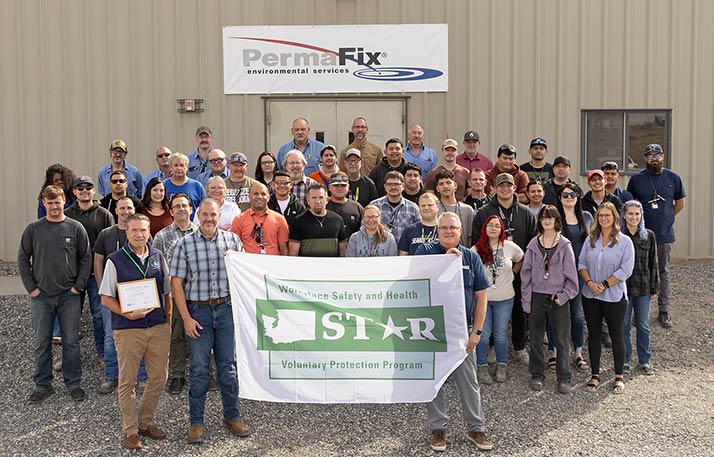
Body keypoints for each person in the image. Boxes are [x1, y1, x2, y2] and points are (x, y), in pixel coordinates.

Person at [171, 199, 251, 444]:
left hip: (226, 310)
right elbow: (176, 284)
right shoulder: (183, 244)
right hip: (199, 313)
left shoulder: (232, 241)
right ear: (198, 215)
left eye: (212, 215)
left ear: (219, 215)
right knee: (198, 369)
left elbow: (245, 272)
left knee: (228, 368)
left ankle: (232, 416)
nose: (208, 219)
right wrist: (186, 318)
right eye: (204, 214)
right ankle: (196, 422)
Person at [415, 212, 493, 453]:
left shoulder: (471, 257)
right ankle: (438, 428)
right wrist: (442, 263)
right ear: (437, 231)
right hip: (432, 330)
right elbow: (415, 285)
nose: (448, 231)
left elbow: (481, 297)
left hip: (461, 332)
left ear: (461, 231)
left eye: (453, 228)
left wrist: (477, 332)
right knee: (435, 381)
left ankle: (475, 428)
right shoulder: (425, 254)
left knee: (469, 382)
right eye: (444, 228)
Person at [99, 214, 171, 450]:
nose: (139, 234)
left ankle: (145, 422)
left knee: (159, 377)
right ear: (126, 233)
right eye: (134, 231)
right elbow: (105, 297)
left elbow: (167, 291)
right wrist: (125, 313)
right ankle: (130, 431)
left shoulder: (158, 257)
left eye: (143, 230)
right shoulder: (115, 260)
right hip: (128, 328)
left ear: (149, 231)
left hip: (157, 326)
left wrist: (167, 320)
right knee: (128, 381)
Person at [19, 185, 91, 403]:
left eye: (57, 202)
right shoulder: (34, 229)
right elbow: (23, 259)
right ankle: (43, 384)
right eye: (49, 202)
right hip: (42, 297)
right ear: (44, 203)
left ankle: (73, 383)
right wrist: (31, 288)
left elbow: (86, 258)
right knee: (42, 342)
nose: (53, 206)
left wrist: (78, 287)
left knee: (71, 342)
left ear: (64, 202)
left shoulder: (75, 227)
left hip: (69, 296)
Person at [472, 173, 537, 365]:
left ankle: (519, 347)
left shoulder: (525, 213)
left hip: (517, 270)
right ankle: (492, 348)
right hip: (491, 275)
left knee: (519, 310)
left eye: (509, 185)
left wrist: (518, 271)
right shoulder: (484, 212)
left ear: (515, 188)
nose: (505, 189)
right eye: (501, 185)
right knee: (489, 312)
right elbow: (477, 241)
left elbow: (532, 244)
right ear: (494, 188)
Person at [521, 205, 579, 394]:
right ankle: (537, 374)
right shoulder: (532, 245)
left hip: (557, 297)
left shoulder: (564, 245)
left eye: (550, 217)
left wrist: (563, 296)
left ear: (556, 220)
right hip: (537, 295)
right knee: (536, 338)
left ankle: (564, 377)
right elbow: (526, 274)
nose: (546, 220)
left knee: (561, 339)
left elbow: (572, 279)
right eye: (543, 217)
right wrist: (527, 299)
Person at [627, 143, 686, 328]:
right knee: (639, 272)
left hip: (663, 235)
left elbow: (680, 203)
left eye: (657, 154)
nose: (654, 158)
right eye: (649, 155)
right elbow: (631, 205)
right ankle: (640, 311)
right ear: (645, 158)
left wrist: (667, 218)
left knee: (663, 273)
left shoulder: (673, 178)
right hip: (641, 236)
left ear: (662, 157)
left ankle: (664, 311)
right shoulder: (636, 179)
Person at [578, 202, 635, 394]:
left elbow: (625, 269)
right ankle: (595, 375)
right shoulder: (590, 240)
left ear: (615, 218)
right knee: (594, 335)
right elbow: (581, 263)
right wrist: (589, 283)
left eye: (607, 215)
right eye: (600, 215)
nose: (603, 218)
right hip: (590, 294)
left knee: (616, 335)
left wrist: (603, 284)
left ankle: (619, 376)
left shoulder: (624, 241)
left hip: (614, 296)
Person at [94, 196, 148, 395]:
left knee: (140, 335)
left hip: (137, 295)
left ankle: (141, 376)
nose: (126, 211)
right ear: (116, 210)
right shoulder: (106, 234)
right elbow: (98, 262)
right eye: (122, 208)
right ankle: (111, 376)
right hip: (113, 295)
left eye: (129, 208)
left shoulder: (141, 233)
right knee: (111, 337)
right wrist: (103, 289)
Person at [65, 176, 114, 364]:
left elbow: (110, 246)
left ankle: (102, 352)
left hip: (95, 275)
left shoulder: (104, 214)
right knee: (70, 318)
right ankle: (70, 356)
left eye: (89, 187)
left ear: (94, 191)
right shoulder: (67, 214)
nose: (85, 190)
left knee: (99, 315)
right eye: (80, 187)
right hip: (73, 275)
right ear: (75, 191)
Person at [152, 194, 197, 395]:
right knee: (176, 334)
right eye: (176, 206)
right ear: (171, 211)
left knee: (200, 334)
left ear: (191, 209)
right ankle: (177, 374)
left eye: (184, 205)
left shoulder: (200, 232)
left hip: (198, 292)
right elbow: (156, 266)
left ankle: (202, 373)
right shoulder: (162, 236)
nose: (181, 209)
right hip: (174, 292)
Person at [473, 215, 524, 385]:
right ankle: (481, 365)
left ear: (502, 229)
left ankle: (501, 364)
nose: (493, 228)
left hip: (505, 298)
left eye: (497, 225)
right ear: (485, 228)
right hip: (484, 300)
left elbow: (521, 258)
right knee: (484, 333)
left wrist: (514, 273)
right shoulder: (477, 249)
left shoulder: (509, 246)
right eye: (490, 225)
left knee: (501, 334)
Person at [553, 182, 593, 373]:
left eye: (573, 194)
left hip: (578, 275)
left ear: (578, 197)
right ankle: (553, 351)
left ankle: (577, 352)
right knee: (555, 314)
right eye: (565, 194)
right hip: (557, 275)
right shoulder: (554, 217)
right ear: (559, 198)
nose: (569, 197)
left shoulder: (586, 217)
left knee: (577, 315)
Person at [621, 200, 659, 375]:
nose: (634, 217)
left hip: (643, 288)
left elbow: (654, 263)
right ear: (624, 215)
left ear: (641, 215)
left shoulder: (648, 235)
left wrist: (654, 288)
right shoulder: (619, 236)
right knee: (625, 325)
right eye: (630, 213)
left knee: (643, 325)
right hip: (623, 289)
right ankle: (625, 360)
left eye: (637, 214)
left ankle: (645, 360)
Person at [288, 185, 348, 257]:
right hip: (307, 267)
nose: (318, 201)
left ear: (327, 200)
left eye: (321, 197)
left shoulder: (338, 220)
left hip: (332, 267)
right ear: (308, 200)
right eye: (314, 198)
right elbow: (293, 253)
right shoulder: (299, 221)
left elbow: (343, 251)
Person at [231, 182, 289, 255]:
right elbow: (234, 248)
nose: (259, 197)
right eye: (255, 194)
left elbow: (284, 248)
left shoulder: (279, 219)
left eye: (263, 194)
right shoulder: (239, 219)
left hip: (272, 264)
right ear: (249, 196)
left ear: (268, 197)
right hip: (248, 264)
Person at [369, 171, 421, 245]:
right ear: (385, 186)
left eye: (396, 184)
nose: (393, 187)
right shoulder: (374, 206)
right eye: (389, 184)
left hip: (405, 252)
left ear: (403, 186)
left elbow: (419, 232)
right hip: (380, 252)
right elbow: (365, 228)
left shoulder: (413, 208)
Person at [435, 169, 474, 246]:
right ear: (437, 188)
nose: (445, 186)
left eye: (448, 183)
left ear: (455, 185)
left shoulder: (467, 210)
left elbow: (470, 238)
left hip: (462, 254)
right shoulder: (434, 210)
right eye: (441, 184)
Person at [326, 172, 364, 239]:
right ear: (329, 187)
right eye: (336, 185)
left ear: (348, 187)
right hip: (329, 247)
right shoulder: (323, 207)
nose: (339, 188)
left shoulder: (357, 207)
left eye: (343, 185)